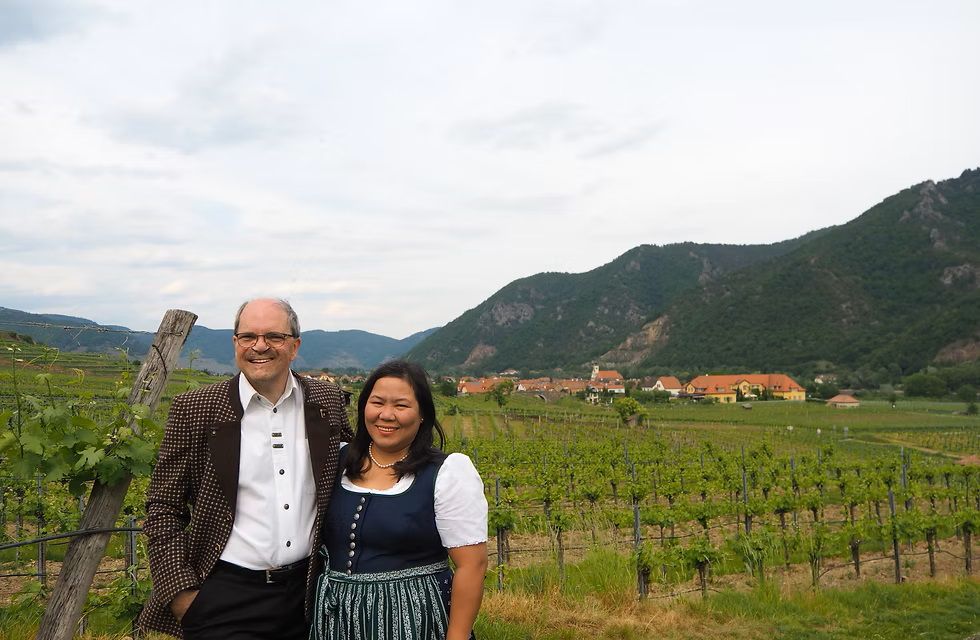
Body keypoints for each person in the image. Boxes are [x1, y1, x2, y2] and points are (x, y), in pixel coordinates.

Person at [138, 298, 354, 639]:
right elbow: (163, 507)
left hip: (310, 594)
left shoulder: (326, 401)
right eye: (248, 336)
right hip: (226, 596)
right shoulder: (195, 408)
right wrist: (182, 595)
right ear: (235, 343)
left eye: (274, 337)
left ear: (295, 346)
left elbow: (355, 470)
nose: (260, 347)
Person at [310, 360, 488, 640]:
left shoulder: (448, 472)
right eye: (377, 402)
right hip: (337, 619)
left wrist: (457, 636)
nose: (386, 415)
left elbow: (471, 565)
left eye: (401, 406)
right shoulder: (338, 459)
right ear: (363, 407)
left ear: (422, 415)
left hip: (415, 619)